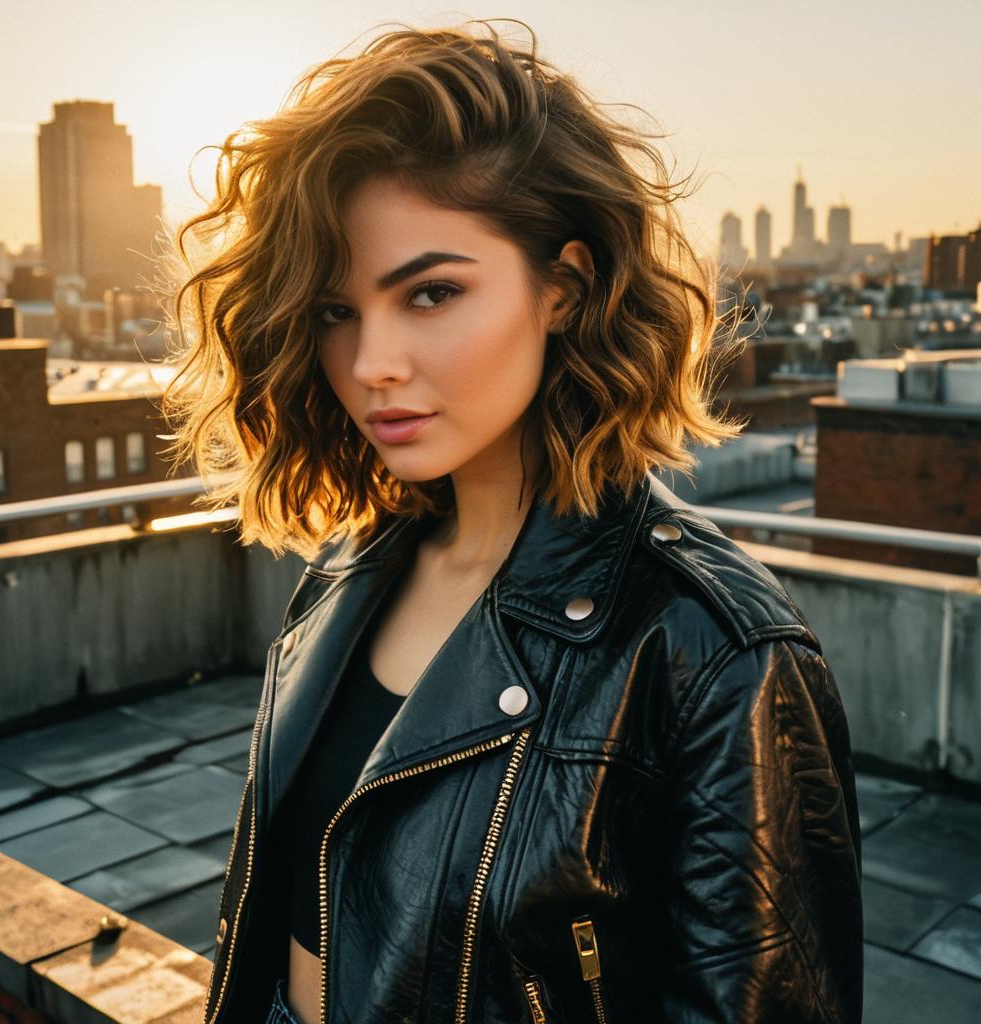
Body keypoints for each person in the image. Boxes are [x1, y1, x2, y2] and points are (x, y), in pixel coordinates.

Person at [160, 19, 863, 1024]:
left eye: (432, 292)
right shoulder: (352, 569)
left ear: (565, 287)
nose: (370, 364)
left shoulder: (716, 652)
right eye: (335, 310)